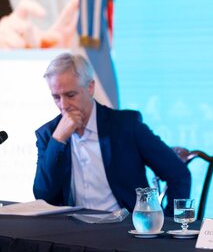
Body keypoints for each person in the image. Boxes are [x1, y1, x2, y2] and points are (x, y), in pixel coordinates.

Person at [33, 53, 191, 215]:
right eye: (56, 97)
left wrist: (168, 223)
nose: (63, 105)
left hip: (125, 230)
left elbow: (179, 175)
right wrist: (58, 141)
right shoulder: (49, 135)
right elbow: (43, 196)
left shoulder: (126, 126)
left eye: (70, 95)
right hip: (73, 232)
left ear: (90, 87)